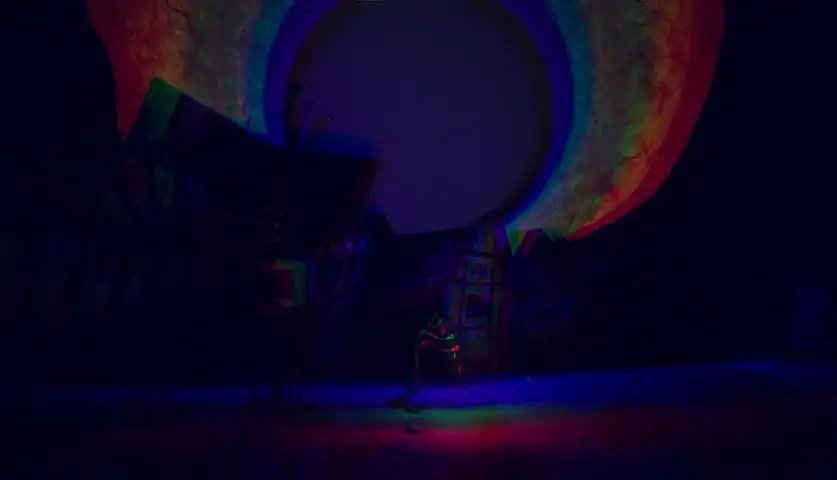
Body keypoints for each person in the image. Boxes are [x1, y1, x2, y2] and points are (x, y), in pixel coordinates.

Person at [413, 312, 461, 388]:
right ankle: (417, 377)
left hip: (429, 343)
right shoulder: (429, 327)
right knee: (418, 357)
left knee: (454, 351)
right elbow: (433, 336)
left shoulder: (439, 327)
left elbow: (441, 335)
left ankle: (455, 372)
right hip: (424, 343)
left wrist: (451, 336)